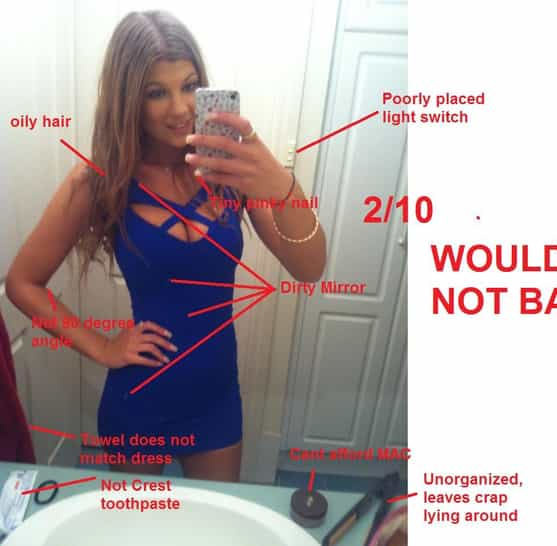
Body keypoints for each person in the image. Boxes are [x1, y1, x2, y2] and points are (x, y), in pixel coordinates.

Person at [5, 10, 326, 482]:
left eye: (189, 86)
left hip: (216, 399)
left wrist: (280, 183)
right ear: (128, 98)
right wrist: (102, 346)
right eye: (157, 92)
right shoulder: (101, 181)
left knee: (211, 517)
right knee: (141, 521)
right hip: (140, 399)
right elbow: (22, 283)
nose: (179, 108)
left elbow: (310, 266)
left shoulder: (230, 171)